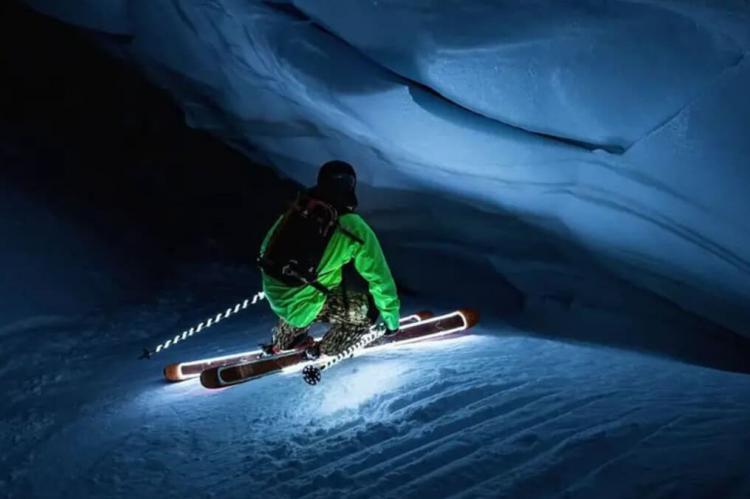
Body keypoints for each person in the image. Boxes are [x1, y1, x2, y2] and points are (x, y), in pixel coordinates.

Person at [258, 160, 400, 359]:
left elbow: (267, 247)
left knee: (307, 289)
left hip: (277, 292)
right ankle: (322, 351)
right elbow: (379, 277)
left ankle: (284, 341)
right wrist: (391, 322)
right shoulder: (352, 226)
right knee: (363, 314)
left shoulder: (300, 207)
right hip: (306, 298)